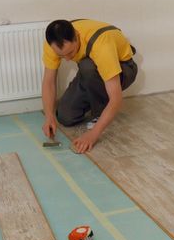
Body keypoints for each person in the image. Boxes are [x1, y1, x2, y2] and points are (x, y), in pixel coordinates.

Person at [40, 19, 139, 153]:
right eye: (61, 56)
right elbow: (49, 82)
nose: (68, 59)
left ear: (77, 36)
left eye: (70, 52)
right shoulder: (53, 43)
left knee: (87, 66)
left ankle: (99, 112)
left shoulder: (102, 45)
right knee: (65, 116)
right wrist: (49, 116)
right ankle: (95, 101)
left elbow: (116, 98)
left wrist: (93, 134)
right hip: (93, 72)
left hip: (124, 69)